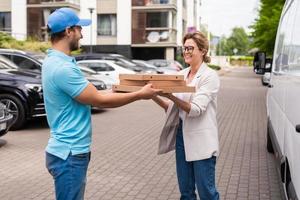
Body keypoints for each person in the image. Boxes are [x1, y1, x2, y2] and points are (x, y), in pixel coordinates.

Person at [42, 8, 160, 200]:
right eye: (79, 28)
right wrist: (140, 94)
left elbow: (90, 95)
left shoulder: (55, 61)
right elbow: (99, 100)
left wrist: (116, 90)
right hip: (69, 154)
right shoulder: (62, 68)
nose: (82, 33)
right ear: (68, 31)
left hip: (67, 151)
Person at [152, 31, 220, 200]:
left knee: (207, 193)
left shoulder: (209, 76)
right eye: (184, 48)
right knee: (186, 192)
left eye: (190, 48)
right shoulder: (181, 74)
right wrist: (152, 95)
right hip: (182, 136)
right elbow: (171, 107)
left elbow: (196, 109)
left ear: (203, 51)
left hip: (202, 139)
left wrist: (171, 96)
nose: (186, 52)